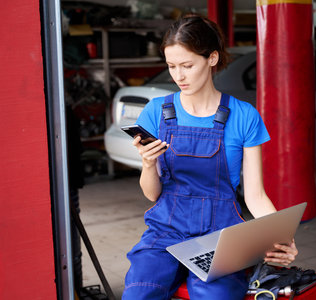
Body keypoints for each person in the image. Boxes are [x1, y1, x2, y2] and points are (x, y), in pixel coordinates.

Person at [122, 14, 298, 300]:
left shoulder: (243, 116)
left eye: (187, 66)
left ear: (212, 58)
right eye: (171, 66)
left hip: (221, 237)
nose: (178, 76)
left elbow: (255, 196)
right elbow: (152, 195)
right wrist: (148, 163)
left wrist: (281, 237)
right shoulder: (155, 111)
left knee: (214, 296)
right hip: (164, 233)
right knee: (139, 294)